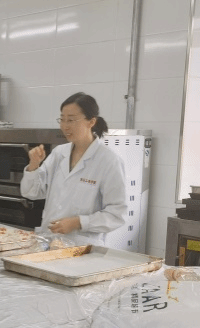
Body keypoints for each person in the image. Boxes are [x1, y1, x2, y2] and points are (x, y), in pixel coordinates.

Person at [20, 92, 126, 245]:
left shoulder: (108, 161)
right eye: (62, 119)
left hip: (82, 247)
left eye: (71, 120)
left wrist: (78, 222)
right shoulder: (59, 153)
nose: (65, 126)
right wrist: (34, 165)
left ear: (91, 122)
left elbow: (116, 215)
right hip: (49, 241)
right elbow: (32, 192)